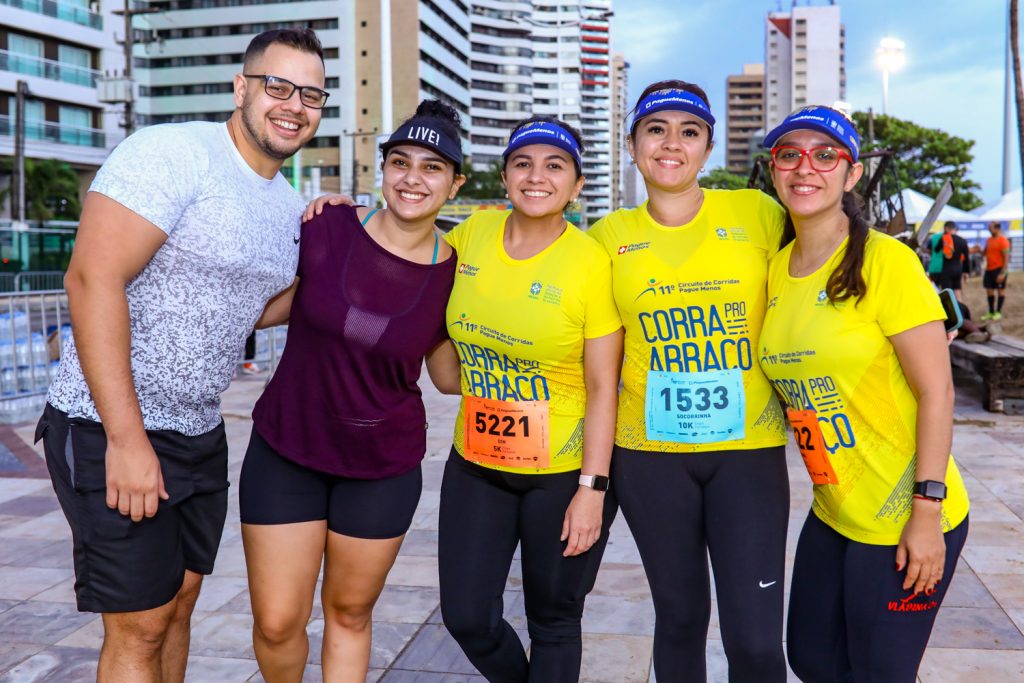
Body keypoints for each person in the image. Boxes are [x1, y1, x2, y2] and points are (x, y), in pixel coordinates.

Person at [36, 28, 326, 682]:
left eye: (311, 94)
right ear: (242, 87)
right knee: (137, 623)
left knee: (178, 604)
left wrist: (340, 262)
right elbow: (90, 278)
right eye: (278, 86)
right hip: (108, 422)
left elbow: (255, 304)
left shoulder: (285, 206)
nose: (294, 104)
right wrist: (126, 438)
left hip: (199, 431)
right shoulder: (173, 153)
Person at [239, 100, 465, 683]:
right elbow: (261, 303)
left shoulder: (457, 275)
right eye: (401, 161)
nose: (413, 178)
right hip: (288, 448)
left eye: (433, 167)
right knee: (276, 621)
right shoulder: (325, 225)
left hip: (381, 467)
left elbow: (446, 377)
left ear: (455, 183)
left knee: (349, 613)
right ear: (382, 166)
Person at [758, 105, 970, 682]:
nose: (807, 167)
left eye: (826, 155)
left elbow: (938, 393)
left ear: (852, 175)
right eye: (790, 154)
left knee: (878, 671)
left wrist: (926, 513)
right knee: (812, 659)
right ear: (774, 170)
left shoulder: (888, 262)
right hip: (832, 511)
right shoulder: (777, 269)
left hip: (906, 513)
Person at [587, 81, 789, 682]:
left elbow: (828, 259)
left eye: (689, 131)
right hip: (649, 459)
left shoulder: (757, 214)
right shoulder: (606, 237)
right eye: (656, 129)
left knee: (754, 639)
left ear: (707, 147)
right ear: (631, 144)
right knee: (679, 619)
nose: (671, 143)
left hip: (747, 454)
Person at [437, 115, 623, 682]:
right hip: (475, 465)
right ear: (504, 175)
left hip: (563, 475)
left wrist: (592, 490)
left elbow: (602, 388)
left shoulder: (592, 262)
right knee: (467, 617)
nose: (536, 176)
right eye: (523, 163)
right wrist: (343, 214)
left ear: (576, 184)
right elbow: (402, 257)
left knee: (554, 618)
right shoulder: (469, 237)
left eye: (554, 165)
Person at [982, 220, 1011, 320]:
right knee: (989, 291)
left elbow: (1006, 258)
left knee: (1000, 291)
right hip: (989, 269)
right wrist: (978, 250)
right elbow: (984, 253)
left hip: (999, 270)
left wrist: (1002, 273)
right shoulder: (989, 240)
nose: (989, 229)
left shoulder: (1003, 240)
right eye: (989, 227)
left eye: (991, 227)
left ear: (997, 228)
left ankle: (998, 312)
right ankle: (991, 312)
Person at [938, 221, 969, 302]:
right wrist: (966, 272)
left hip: (947, 269)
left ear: (946, 228)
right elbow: (966, 258)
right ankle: (960, 312)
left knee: (947, 293)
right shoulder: (962, 240)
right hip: (958, 268)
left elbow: (936, 249)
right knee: (957, 291)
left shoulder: (944, 239)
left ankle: (949, 313)